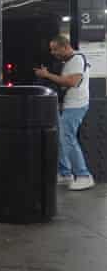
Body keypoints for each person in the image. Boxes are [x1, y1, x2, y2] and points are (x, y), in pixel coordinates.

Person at [34, 34, 94, 191]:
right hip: (68, 104)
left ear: (65, 46)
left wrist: (47, 75)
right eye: (51, 50)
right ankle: (65, 173)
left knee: (67, 139)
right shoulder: (68, 62)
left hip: (76, 105)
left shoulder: (77, 59)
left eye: (55, 49)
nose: (53, 52)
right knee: (61, 140)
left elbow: (71, 82)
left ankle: (84, 176)